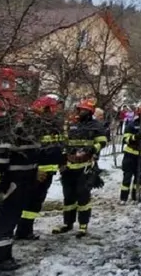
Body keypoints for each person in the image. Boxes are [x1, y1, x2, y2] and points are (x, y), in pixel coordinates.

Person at [0, 112, 40, 271]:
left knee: (10, 220)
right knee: (7, 222)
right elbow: (0, 163)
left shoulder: (31, 136)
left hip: (23, 184)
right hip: (11, 186)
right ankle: (1, 260)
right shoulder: (14, 136)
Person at [53, 99, 107, 238]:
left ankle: (83, 225)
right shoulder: (72, 124)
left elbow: (103, 141)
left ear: (89, 112)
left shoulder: (96, 126)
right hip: (69, 166)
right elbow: (64, 141)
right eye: (79, 109)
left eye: (82, 110)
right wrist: (62, 159)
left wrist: (92, 149)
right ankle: (68, 223)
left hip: (85, 166)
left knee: (83, 196)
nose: (79, 112)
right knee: (68, 196)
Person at [15, 96, 64, 241]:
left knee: (35, 201)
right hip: (36, 171)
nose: (57, 111)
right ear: (46, 108)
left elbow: (56, 147)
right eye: (55, 107)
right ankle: (22, 230)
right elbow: (29, 151)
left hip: (46, 170)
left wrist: (61, 161)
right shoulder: (34, 126)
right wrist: (35, 169)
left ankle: (25, 229)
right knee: (30, 201)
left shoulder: (51, 125)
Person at [120, 104, 141, 204]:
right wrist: (135, 137)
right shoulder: (131, 124)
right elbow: (125, 139)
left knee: (139, 177)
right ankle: (123, 198)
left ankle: (135, 196)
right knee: (127, 177)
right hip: (130, 154)